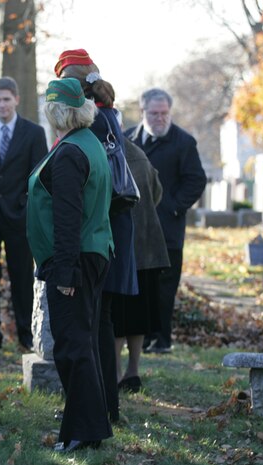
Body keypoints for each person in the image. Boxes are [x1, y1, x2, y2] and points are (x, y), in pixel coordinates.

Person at [26, 77, 113, 452]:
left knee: (71, 347)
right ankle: (90, 428)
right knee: (81, 344)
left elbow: (67, 219)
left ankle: (82, 431)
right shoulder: (88, 143)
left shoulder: (69, 154)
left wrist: (64, 273)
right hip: (91, 252)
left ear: (56, 112)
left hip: (73, 258)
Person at [55, 48, 137, 423]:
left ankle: (99, 407)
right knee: (100, 321)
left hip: (98, 232)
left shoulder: (94, 123)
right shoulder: (107, 116)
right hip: (106, 230)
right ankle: (106, 406)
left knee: (92, 324)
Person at [125, 88, 207, 354]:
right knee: (139, 284)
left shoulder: (184, 142)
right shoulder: (128, 139)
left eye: (164, 113)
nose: (160, 118)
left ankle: (162, 339)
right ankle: (142, 337)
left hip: (168, 228)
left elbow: (196, 180)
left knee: (164, 286)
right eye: (154, 113)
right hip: (135, 230)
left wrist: (173, 206)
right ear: (143, 112)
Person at [0, 76, 47, 350]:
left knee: (22, 277)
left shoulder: (34, 132)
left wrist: (28, 211)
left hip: (19, 216)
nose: (1, 105)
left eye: (6, 99)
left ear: (16, 99)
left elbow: (39, 176)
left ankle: (26, 333)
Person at [112, 128, 170, 393]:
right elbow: (156, 192)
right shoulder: (138, 153)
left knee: (115, 316)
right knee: (138, 314)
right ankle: (133, 370)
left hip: (121, 246)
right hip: (147, 245)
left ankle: (114, 372)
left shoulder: (106, 150)